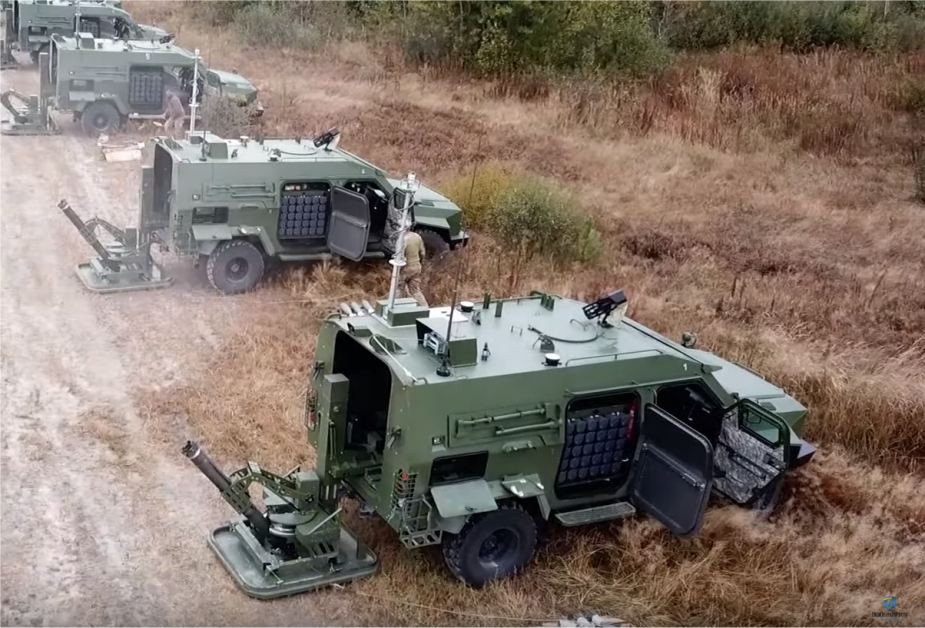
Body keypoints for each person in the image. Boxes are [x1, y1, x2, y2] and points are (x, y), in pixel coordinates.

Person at [401, 230, 427, 307]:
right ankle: (425, 308)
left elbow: (401, 258)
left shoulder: (402, 239)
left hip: (406, 268)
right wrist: (420, 263)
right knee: (415, 291)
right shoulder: (417, 236)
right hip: (417, 267)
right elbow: (423, 253)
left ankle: (399, 308)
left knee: (399, 289)